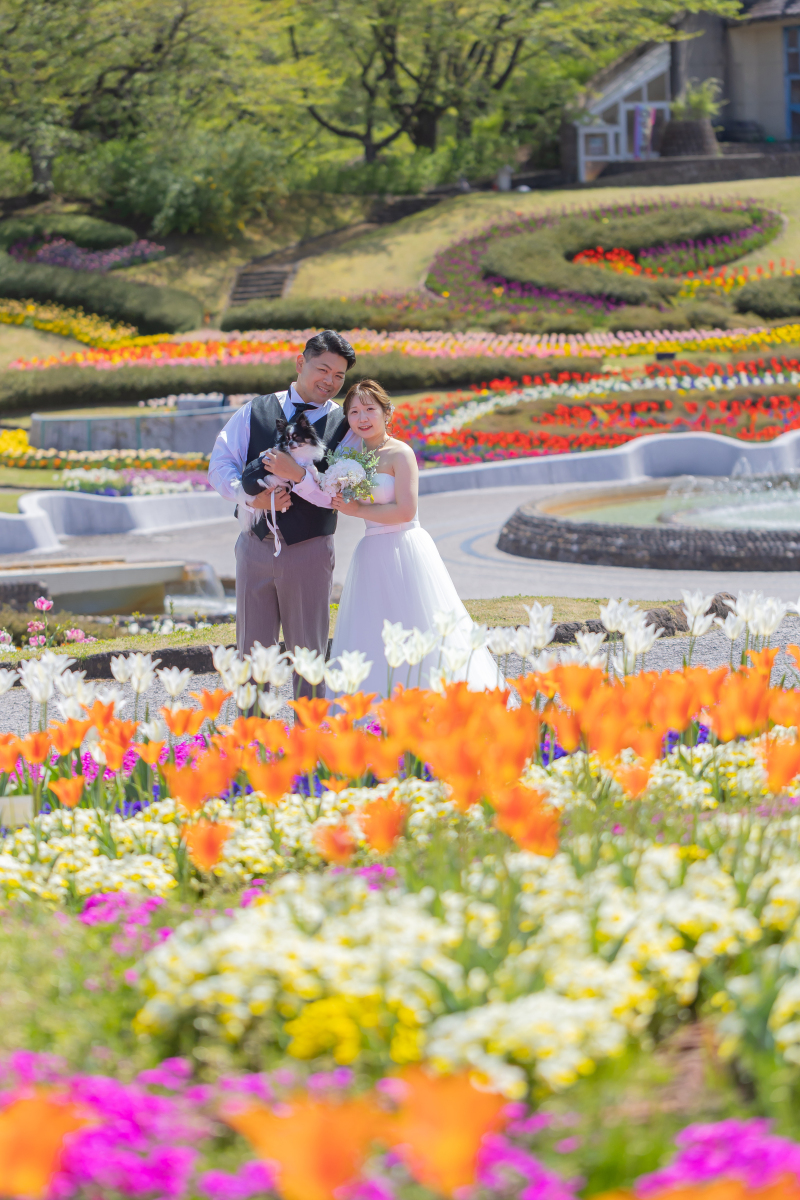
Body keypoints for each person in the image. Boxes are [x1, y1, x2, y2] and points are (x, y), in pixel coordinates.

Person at [263, 378, 499, 697]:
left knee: (419, 625)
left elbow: (405, 511)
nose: (363, 418)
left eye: (370, 409)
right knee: (373, 629)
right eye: (355, 411)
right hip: (372, 550)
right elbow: (326, 488)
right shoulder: (350, 455)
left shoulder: (400, 454)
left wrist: (356, 508)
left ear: (387, 413)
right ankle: (378, 705)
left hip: (406, 547)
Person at [208, 329, 360, 697]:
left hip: (309, 550)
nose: (330, 381)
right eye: (323, 369)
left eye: (339, 376)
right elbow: (220, 464)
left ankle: (309, 746)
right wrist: (249, 499)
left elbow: (341, 495)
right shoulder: (255, 410)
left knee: (308, 656)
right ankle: (251, 741)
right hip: (254, 546)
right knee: (250, 655)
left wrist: (300, 478)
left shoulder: (346, 424)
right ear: (300, 363)